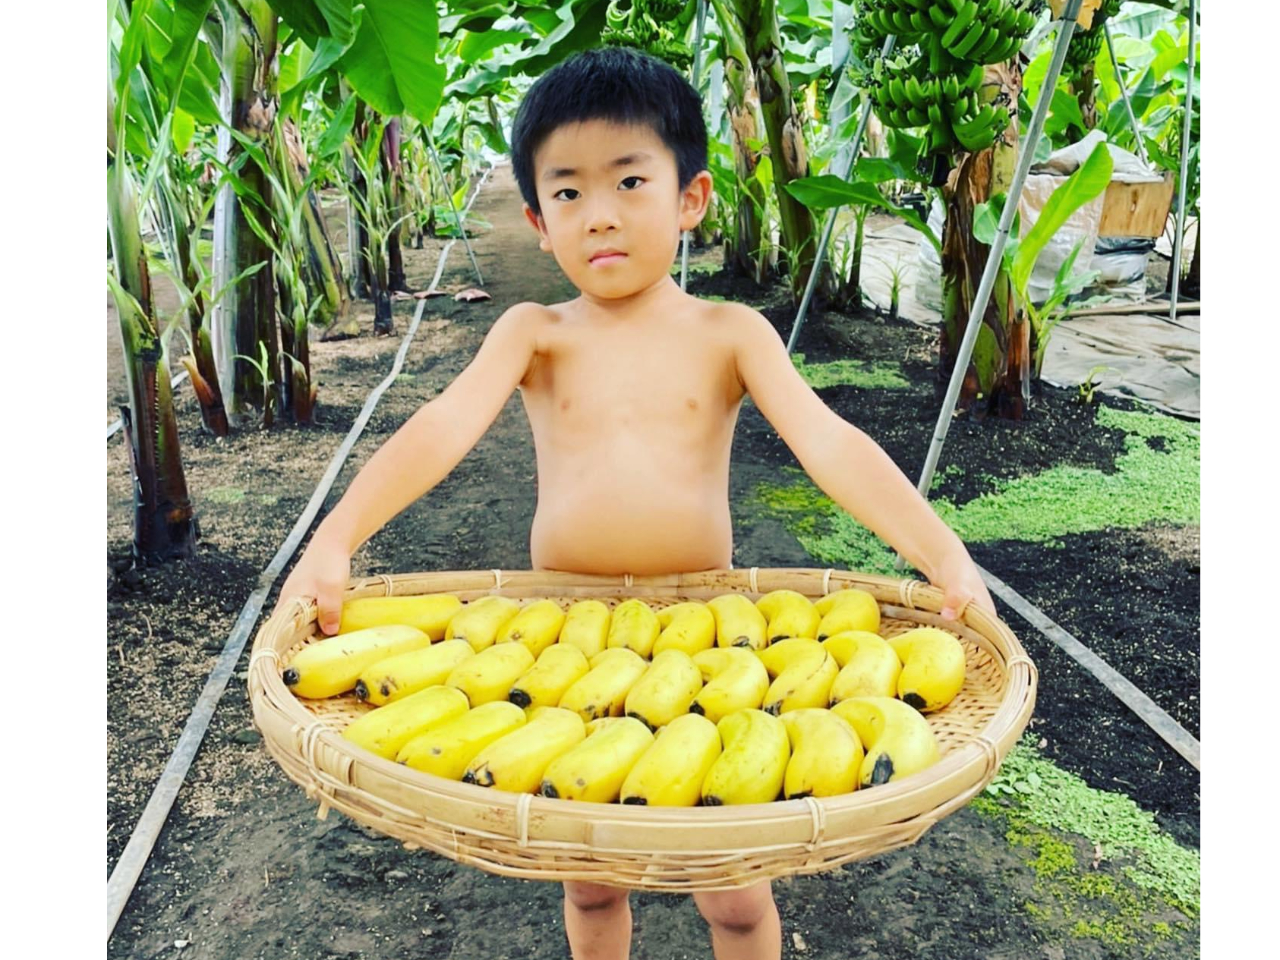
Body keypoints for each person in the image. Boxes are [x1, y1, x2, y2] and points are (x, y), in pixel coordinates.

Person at [274, 45, 996, 960]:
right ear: (536, 220)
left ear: (690, 199)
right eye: (568, 192)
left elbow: (828, 443)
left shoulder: (729, 332)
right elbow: (440, 429)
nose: (599, 215)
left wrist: (939, 552)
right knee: (591, 883)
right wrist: (337, 538)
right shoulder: (532, 332)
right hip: (565, 640)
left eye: (628, 180)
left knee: (734, 894)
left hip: (711, 643)